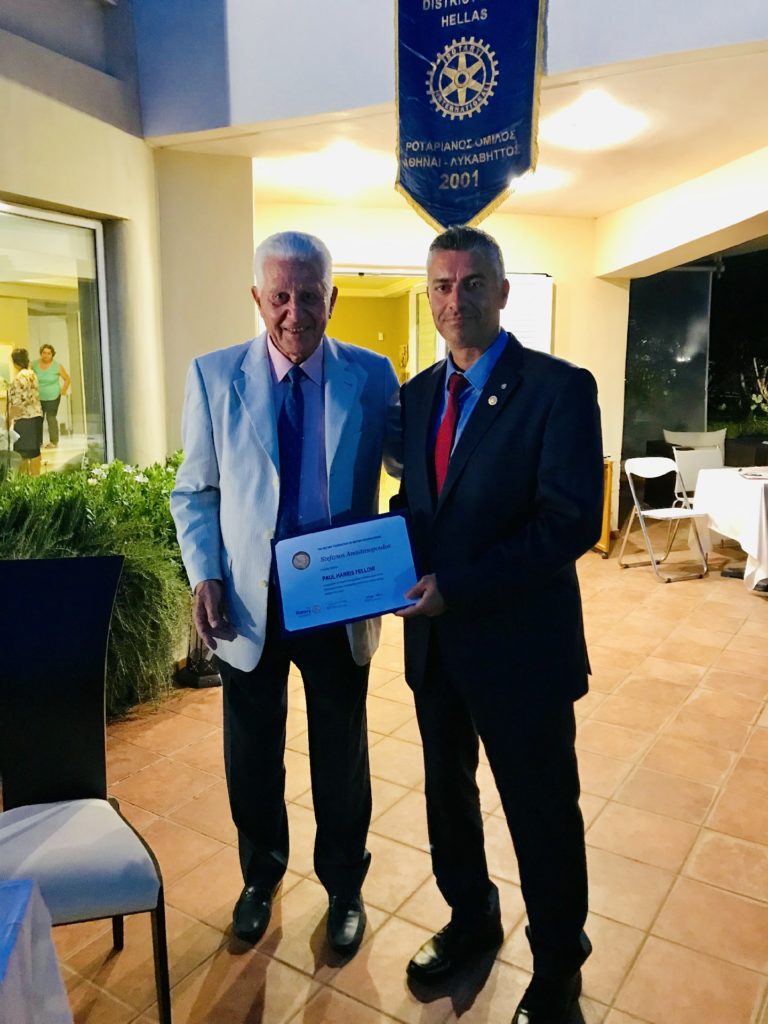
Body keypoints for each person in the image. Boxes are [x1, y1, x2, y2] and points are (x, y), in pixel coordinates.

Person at [171, 231, 401, 957]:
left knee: (341, 754)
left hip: (337, 597)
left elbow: (414, 469)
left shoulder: (372, 376)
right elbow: (195, 491)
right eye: (279, 296)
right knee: (251, 752)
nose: (293, 312)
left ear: (332, 298)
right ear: (257, 298)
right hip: (249, 603)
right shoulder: (213, 376)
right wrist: (205, 572)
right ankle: (259, 876)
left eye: (308, 296)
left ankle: (344, 887)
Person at [396, 226, 603, 1024]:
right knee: (447, 798)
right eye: (443, 286)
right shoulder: (417, 395)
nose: (458, 300)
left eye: (473, 282)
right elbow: (421, 508)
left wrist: (458, 586)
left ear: (503, 291)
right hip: (436, 648)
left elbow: (567, 522)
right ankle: (471, 917)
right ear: (429, 296)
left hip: (521, 652)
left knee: (540, 811)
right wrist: (367, 562)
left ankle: (557, 964)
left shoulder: (558, 389)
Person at [6, 348, 44, 476]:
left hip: (24, 419)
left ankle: (24, 482)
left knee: (22, 453)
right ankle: (36, 479)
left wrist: (8, 420)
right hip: (36, 416)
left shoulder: (19, 378)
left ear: (15, 362)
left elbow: (18, 403)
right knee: (35, 451)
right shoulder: (32, 374)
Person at [32, 344, 70, 448]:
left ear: (52, 355)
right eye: (44, 353)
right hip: (38, 397)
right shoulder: (34, 365)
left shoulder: (57, 366)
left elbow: (67, 379)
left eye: (49, 353)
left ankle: (54, 442)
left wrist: (63, 391)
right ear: (41, 353)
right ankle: (38, 442)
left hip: (53, 397)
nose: (46, 355)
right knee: (38, 419)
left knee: (51, 418)